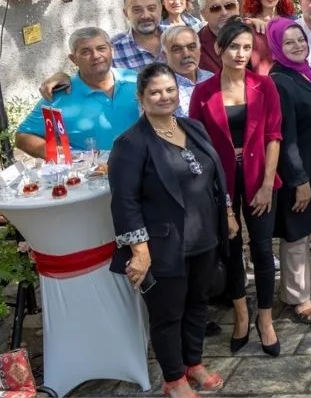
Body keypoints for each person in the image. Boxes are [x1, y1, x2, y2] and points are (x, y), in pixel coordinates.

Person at [108, 64, 231, 398]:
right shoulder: (131, 143)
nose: (164, 97)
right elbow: (125, 202)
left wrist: (229, 212)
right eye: (155, 92)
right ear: (141, 97)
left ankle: (193, 362)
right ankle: (174, 379)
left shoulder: (193, 127)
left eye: (169, 90)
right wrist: (139, 250)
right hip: (163, 246)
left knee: (198, 305)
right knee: (167, 314)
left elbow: (215, 176)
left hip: (204, 237)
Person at [188, 20, 283, 356]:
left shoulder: (264, 86)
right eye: (234, 47)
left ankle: (266, 319)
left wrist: (268, 184)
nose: (241, 54)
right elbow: (197, 146)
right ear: (219, 50)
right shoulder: (203, 92)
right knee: (230, 251)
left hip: (260, 177)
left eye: (247, 47)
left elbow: (274, 136)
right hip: (220, 183)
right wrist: (224, 203)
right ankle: (241, 314)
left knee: (262, 249)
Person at [267, 19, 311, 323]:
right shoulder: (280, 81)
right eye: (289, 43)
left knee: (306, 229)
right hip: (298, 171)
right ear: (276, 47)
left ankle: (306, 282)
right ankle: (297, 297)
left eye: (300, 40)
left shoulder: (302, 73)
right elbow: (286, 137)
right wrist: (299, 180)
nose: (297, 46)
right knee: (295, 232)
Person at [16, 28, 140, 158]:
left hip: (145, 167)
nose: (96, 56)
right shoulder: (59, 97)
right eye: (85, 52)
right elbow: (23, 136)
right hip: (97, 174)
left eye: (101, 48)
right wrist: (65, 158)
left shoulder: (134, 80)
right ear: (73, 59)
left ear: (112, 51)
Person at [197, 0, 272, 75]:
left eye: (229, 6)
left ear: (237, 7)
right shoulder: (196, 45)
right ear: (203, 14)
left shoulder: (259, 31)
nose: (224, 12)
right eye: (215, 8)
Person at [163, 25, 214, 117]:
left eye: (191, 47)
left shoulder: (211, 78)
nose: (186, 54)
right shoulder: (162, 89)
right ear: (164, 55)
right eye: (177, 49)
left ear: (199, 50)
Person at [110, 0, 166, 69]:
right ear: (126, 14)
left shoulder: (180, 37)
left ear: (161, 9)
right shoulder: (114, 48)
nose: (146, 16)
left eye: (151, 8)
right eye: (137, 10)